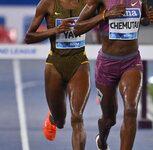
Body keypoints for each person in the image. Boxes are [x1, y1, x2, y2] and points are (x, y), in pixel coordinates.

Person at [73, 0, 153, 149]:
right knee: (109, 119)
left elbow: (142, 19)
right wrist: (104, 15)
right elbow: (77, 28)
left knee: (131, 109)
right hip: (107, 65)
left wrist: (146, 19)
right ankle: (102, 140)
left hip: (131, 62)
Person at [24, 0, 90, 150]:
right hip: (55, 64)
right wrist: (55, 30)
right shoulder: (47, 4)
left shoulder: (87, 2)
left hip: (80, 63)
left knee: (77, 118)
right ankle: (52, 117)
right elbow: (28, 37)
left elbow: (105, 13)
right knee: (60, 122)